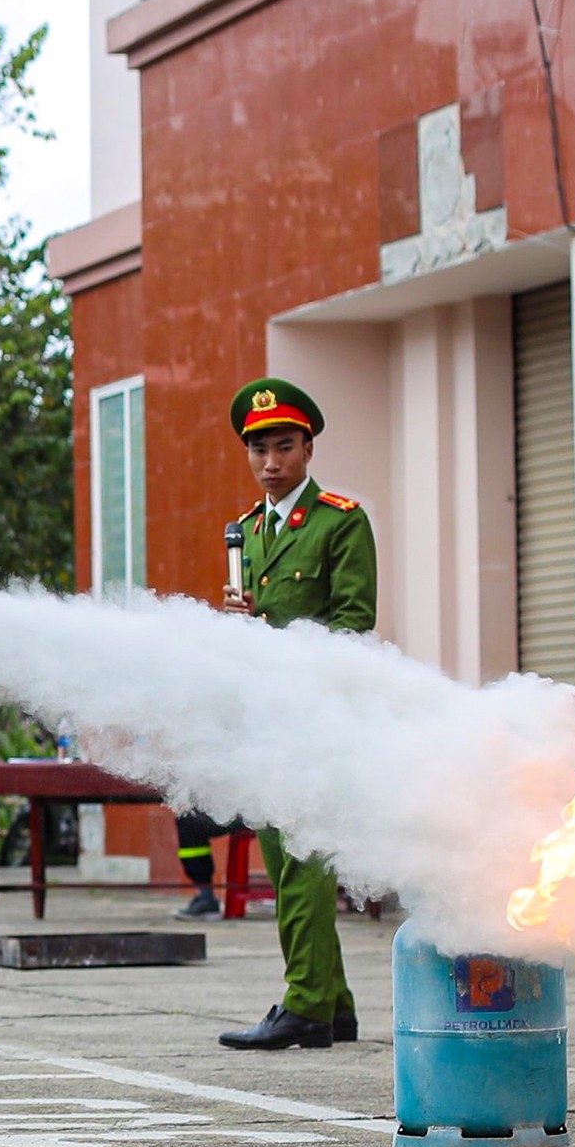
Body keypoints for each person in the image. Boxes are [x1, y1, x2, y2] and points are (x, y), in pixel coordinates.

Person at [216, 377, 377, 1051]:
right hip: (267, 717)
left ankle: (305, 1002)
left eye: (284, 447)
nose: (271, 462)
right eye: (260, 450)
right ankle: (333, 1007)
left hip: (318, 716)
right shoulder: (247, 531)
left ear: (308, 448)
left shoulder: (341, 521)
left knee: (305, 858)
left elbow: (353, 626)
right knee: (284, 854)